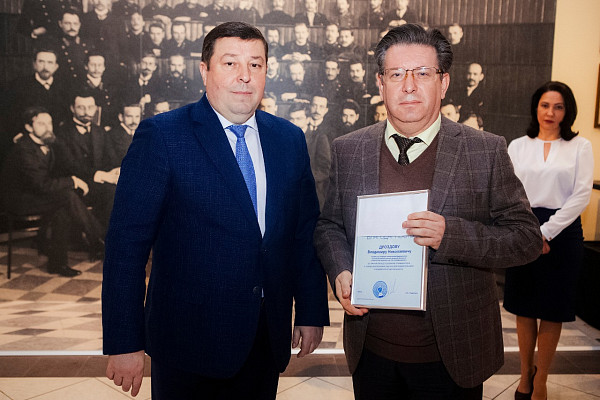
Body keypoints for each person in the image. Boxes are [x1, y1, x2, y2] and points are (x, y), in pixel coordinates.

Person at [313, 23, 542, 399]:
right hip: (372, 353)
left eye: (422, 73)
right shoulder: (349, 149)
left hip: (453, 354)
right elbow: (329, 225)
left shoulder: (484, 150)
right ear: (380, 83)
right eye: (396, 74)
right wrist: (340, 269)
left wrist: (450, 235)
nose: (408, 85)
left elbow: (526, 239)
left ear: (444, 82)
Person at [102, 21, 329, 399]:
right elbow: (126, 245)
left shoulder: (288, 139)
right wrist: (125, 341)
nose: (245, 75)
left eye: (255, 64)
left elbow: (302, 232)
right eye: (230, 63)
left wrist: (310, 310)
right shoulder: (163, 136)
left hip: (264, 335)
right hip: (187, 341)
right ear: (204, 70)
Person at [503, 81, 594, 400]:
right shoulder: (517, 146)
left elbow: (581, 195)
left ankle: (541, 378)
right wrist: (531, 232)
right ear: (536, 108)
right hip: (524, 227)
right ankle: (524, 375)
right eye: (545, 105)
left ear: (567, 112)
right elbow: (509, 192)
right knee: (524, 307)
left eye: (558, 107)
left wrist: (546, 232)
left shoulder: (580, 146)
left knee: (554, 309)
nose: (550, 112)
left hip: (564, 233)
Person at [1, 107, 104, 277]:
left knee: (62, 209)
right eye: (41, 124)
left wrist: (74, 179)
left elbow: (66, 166)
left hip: (37, 196)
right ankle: (100, 239)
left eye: (49, 123)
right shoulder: (24, 149)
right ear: (28, 127)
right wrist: (73, 181)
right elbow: (41, 185)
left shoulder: (49, 142)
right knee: (67, 196)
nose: (48, 127)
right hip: (19, 201)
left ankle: (58, 263)